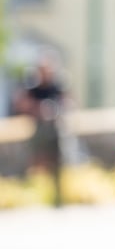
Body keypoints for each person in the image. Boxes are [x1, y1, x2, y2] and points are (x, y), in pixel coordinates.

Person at [12, 50, 67, 206]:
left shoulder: (56, 86)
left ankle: (57, 197)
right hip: (36, 130)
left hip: (54, 130)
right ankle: (25, 195)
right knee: (29, 162)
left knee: (57, 162)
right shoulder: (32, 87)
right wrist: (39, 109)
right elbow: (21, 103)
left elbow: (67, 102)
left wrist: (53, 110)